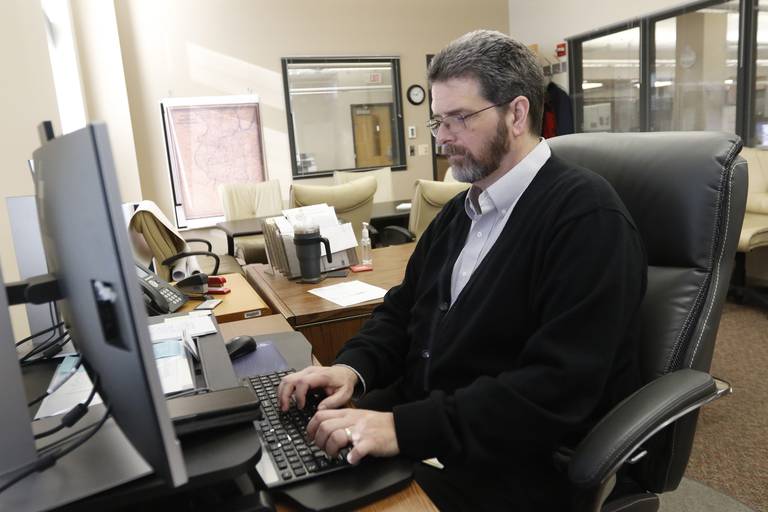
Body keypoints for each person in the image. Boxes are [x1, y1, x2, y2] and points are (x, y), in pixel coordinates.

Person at [278, 29, 647, 511]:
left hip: (519, 463)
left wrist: (401, 428)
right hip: (439, 430)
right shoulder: (461, 212)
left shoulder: (588, 219)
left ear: (516, 113)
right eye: (437, 121)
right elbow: (403, 310)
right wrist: (352, 369)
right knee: (284, 465)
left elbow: (557, 386)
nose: (443, 138)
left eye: (459, 119)